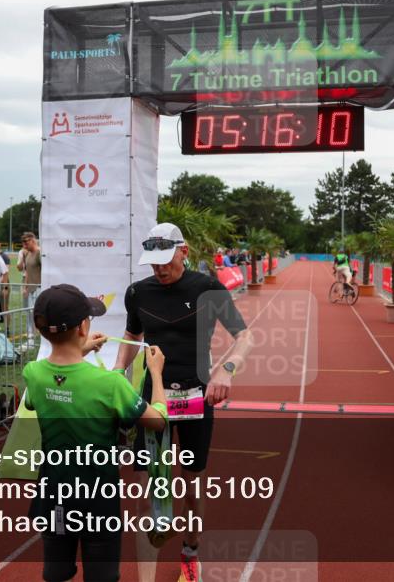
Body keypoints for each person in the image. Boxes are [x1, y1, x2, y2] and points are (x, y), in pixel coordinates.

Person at [114, 222, 251, 582]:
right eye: (153, 263)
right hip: (153, 399)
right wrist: (117, 371)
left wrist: (226, 371)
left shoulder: (207, 288)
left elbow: (244, 336)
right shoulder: (137, 292)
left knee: (191, 488)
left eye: (165, 262)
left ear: (184, 252)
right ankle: (146, 574)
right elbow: (132, 334)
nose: (159, 269)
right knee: (148, 489)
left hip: (195, 396)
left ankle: (190, 552)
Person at [24, 284, 168, 582]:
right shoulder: (110, 384)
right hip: (97, 498)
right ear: (82, 327)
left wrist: (81, 348)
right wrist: (155, 372)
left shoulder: (33, 373)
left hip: (55, 494)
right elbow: (157, 420)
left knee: (56, 571)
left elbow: (47, 389)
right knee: (102, 574)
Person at [16, 231, 42, 350]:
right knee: (30, 314)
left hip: (39, 289)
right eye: (23, 242)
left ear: (33, 240)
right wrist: (25, 287)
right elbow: (26, 272)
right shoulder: (27, 254)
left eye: (26, 241)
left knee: (39, 314)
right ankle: (31, 338)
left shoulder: (39, 253)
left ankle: (43, 338)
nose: (24, 244)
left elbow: (44, 271)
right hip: (30, 289)